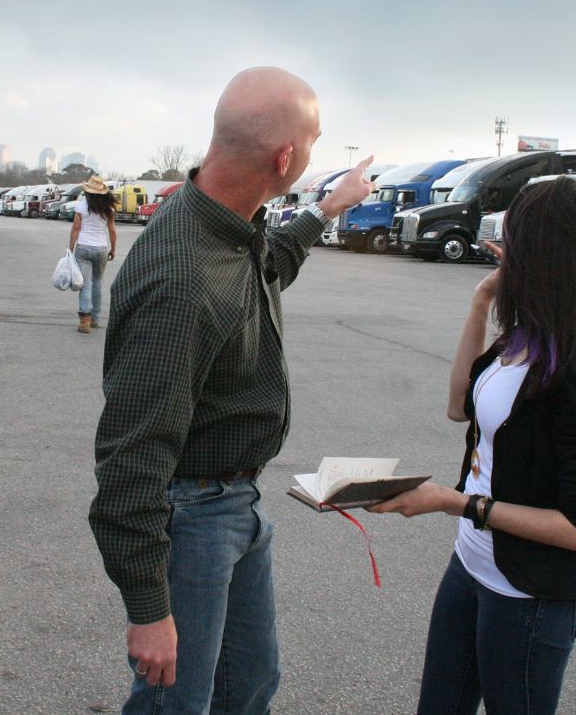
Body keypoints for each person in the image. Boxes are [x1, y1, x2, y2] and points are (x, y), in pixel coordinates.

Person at [88, 66, 374, 715]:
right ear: (285, 157)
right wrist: (148, 609)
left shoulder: (223, 225)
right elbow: (131, 451)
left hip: (234, 503)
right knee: (176, 704)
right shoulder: (185, 276)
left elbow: (267, 264)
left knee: (246, 686)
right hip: (192, 517)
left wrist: (328, 208)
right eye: (314, 141)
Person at [371, 176, 576, 715]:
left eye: (514, 236)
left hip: (529, 595)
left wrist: (455, 502)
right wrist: (481, 302)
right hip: (472, 567)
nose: (504, 248)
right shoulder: (527, 334)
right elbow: (459, 406)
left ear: (545, 252)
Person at [68, 175, 117, 333]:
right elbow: (112, 231)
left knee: (85, 284)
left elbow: (76, 229)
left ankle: (85, 321)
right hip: (101, 248)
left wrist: (70, 248)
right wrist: (113, 249)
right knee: (97, 283)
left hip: (83, 248)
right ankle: (95, 319)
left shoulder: (81, 207)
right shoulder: (108, 209)